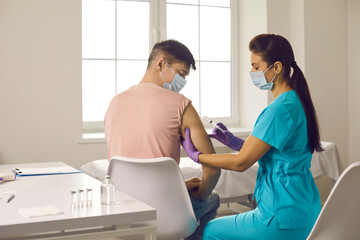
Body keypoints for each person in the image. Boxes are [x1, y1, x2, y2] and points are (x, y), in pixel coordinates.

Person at [181, 33, 323, 240]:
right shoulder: (295, 100)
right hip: (305, 209)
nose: (252, 72)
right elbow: (275, 151)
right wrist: (236, 142)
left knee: (210, 231)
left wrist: (197, 156)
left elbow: (241, 163)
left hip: (282, 216)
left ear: (276, 67)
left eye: (256, 67)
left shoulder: (280, 108)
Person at [104, 39, 220, 240]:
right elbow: (213, 169)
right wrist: (197, 194)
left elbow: (134, 166)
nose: (182, 81)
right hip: (168, 217)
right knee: (213, 199)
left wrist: (178, 185)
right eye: (181, 73)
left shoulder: (114, 103)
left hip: (124, 214)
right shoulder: (181, 106)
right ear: (160, 63)